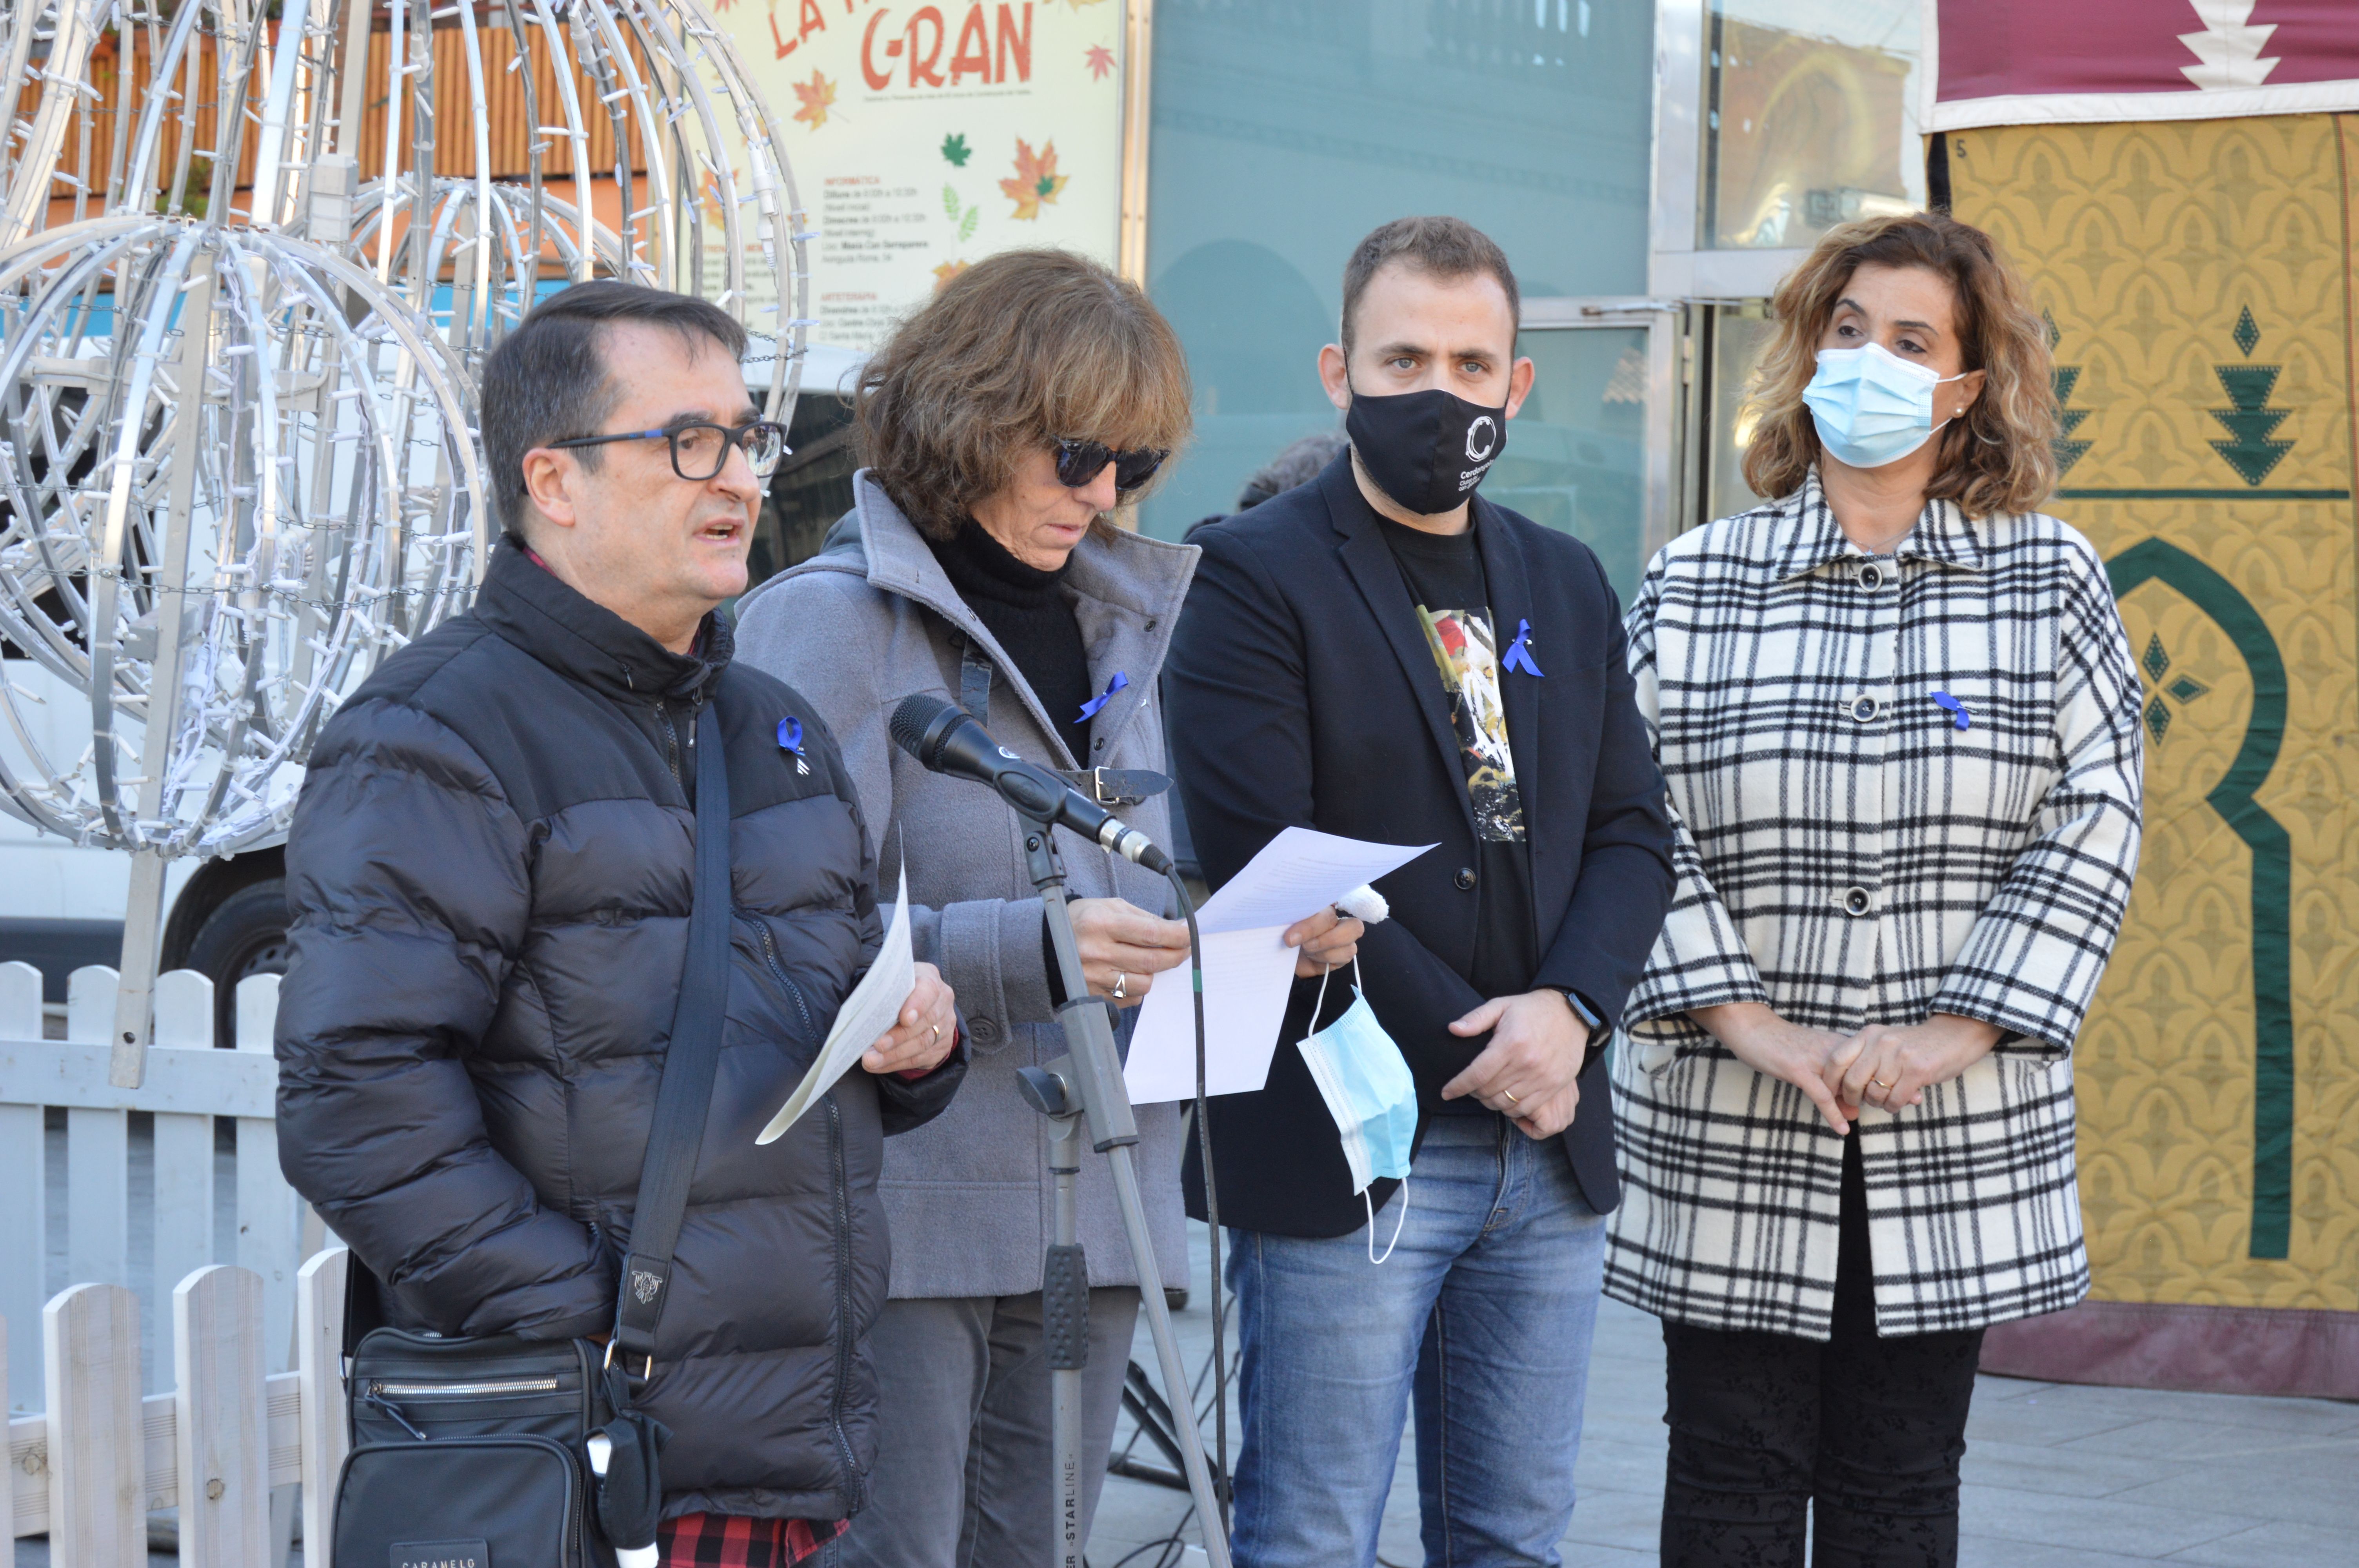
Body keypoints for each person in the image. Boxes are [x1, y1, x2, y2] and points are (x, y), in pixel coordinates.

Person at [273, 282, 965, 1563]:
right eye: (687, 441)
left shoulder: (773, 725)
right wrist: (590, 1316)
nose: (741, 480)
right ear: (556, 479)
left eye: (747, 439)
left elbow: (835, 1002)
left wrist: (920, 1039)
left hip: (785, 1440)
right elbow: (354, 1099)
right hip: (591, 1436)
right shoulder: (433, 731)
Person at [734, 249, 1361, 1564]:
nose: (1105, 493)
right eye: (1078, 453)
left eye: (1131, 464)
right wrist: (1025, 952)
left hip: (1106, 1197)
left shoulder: (1144, 622)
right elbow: (770, 941)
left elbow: (1153, 869)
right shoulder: (826, 627)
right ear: (973, 417)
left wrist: (1273, 930)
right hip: (908, 1207)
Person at [1608, 211, 2144, 1567]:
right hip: (1730, 1111)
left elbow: (2095, 817)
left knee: (1902, 1488)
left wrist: (1954, 1031)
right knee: (1726, 1477)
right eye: (1848, 332)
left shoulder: (2050, 579)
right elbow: (1626, 822)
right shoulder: (1691, 582)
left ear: (1965, 386)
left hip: (1955, 1118)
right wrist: (1747, 1020)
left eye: (1912, 341)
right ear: (1805, 354)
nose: (1871, 363)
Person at [1165, 216, 1676, 1566]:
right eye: (1404, 360)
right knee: (1314, 1534)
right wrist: (1492, 1048)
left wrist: (1568, 1011)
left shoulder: (1563, 580)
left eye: (1470, 360)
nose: (1438, 392)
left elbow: (1634, 830)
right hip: (1354, 1139)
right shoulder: (1251, 574)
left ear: (1519, 386)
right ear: (1341, 375)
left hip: (1551, 1142)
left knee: (1515, 1535)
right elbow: (1267, 854)